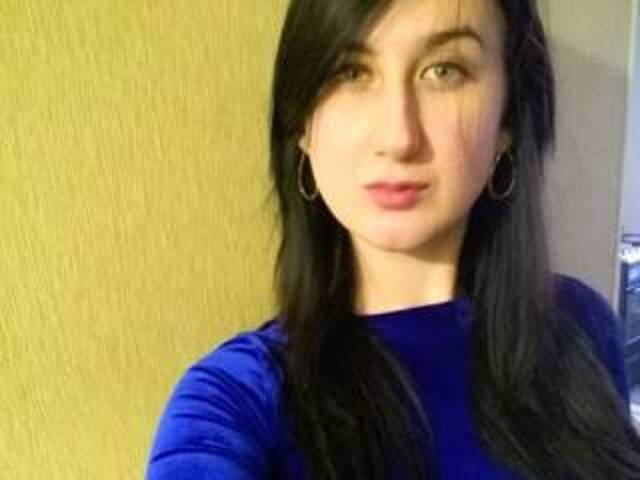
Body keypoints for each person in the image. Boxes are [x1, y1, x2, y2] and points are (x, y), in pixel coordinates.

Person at [145, 0, 640, 478]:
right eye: (350, 71)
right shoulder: (237, 399)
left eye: (443, 70)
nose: (398, 137)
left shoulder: (581, 325)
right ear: (302, 126)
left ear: (507, 120)